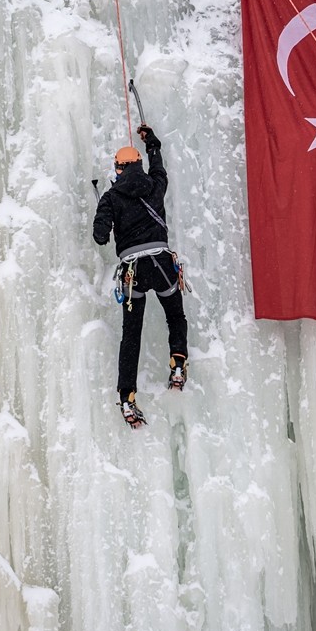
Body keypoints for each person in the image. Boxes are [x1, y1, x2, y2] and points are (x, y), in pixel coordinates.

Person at [93, 124, 188, 427]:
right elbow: (159, 168)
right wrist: (152, 142)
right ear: (138, 165)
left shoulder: (110, 197)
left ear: (118, 169)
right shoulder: (155, 185)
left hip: (132, 271)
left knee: (131, 335)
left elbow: (99, 236)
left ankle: (127, 396)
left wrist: (106, 219)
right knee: (175, 315)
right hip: (161, 264)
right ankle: (177, 363)